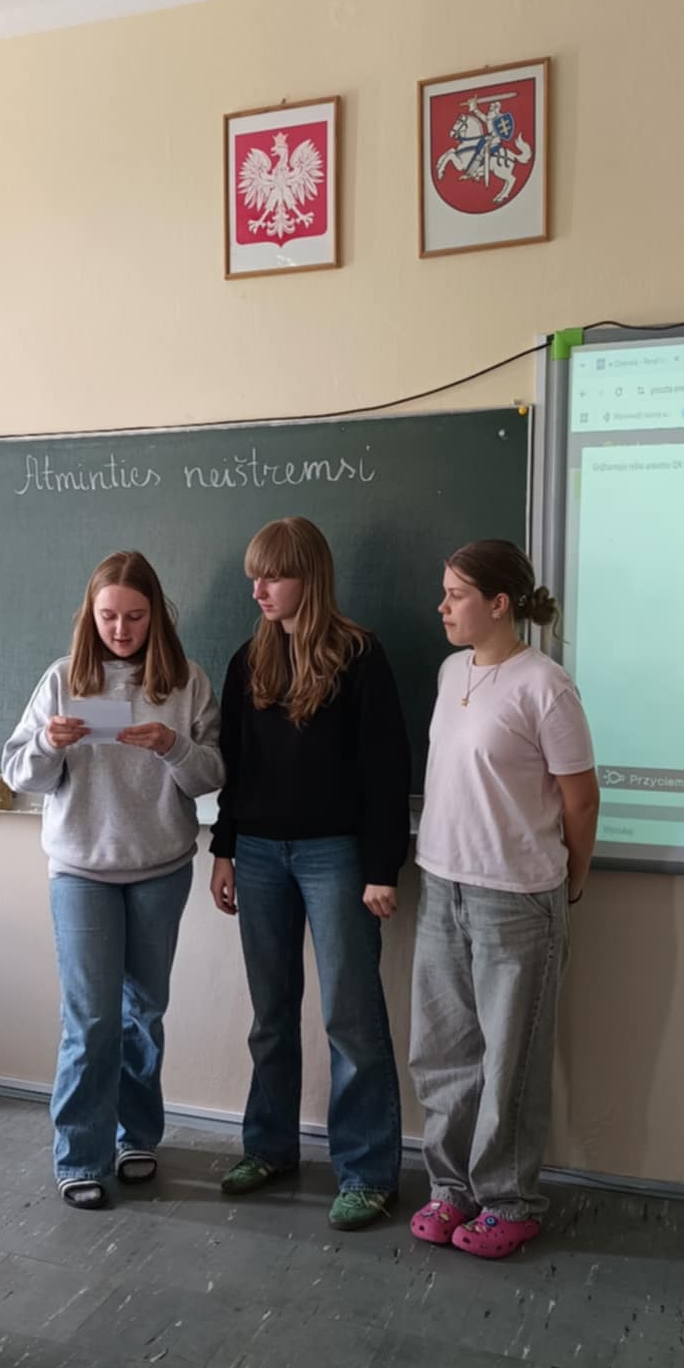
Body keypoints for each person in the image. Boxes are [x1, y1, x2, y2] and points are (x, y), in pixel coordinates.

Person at [2, 551, 223, 1208]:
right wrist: (50, 744)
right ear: (89, 616)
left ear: (157, 615)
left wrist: (173, 747)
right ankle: (80, 1156)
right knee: (91, 1019)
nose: (121, 630)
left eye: (134, 616)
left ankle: (136, 1138)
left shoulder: (187, 682)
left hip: (160, 867)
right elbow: (19, 774)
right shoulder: (63, 679)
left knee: (143, 1014)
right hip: (82, 871)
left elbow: (212, 776)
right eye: (108, 617)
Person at [209, 516, 410, 1231]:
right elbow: (234, 767)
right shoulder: (248, 661)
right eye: (255, 578)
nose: (259, 590)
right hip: (260, 853)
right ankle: (269, 1148)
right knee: (271, 1013)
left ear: (310, 577)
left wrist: (382, 867)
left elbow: (387, 771)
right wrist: (224, 850)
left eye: (274, 576)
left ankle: (367, 1172)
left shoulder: (360, 656)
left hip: (337, 856)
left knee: (349, 1016)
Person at [408, 539, 600, 1259]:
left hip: (516, 896)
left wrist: (572, 879)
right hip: (441, 883)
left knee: (509, 1059)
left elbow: (581, 800)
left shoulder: (546, 686)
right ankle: (451, 1189)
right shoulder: (450, 671)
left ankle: (508, 1201)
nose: (442, 606)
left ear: (498, 604)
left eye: (456, 595)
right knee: (442, 1052)